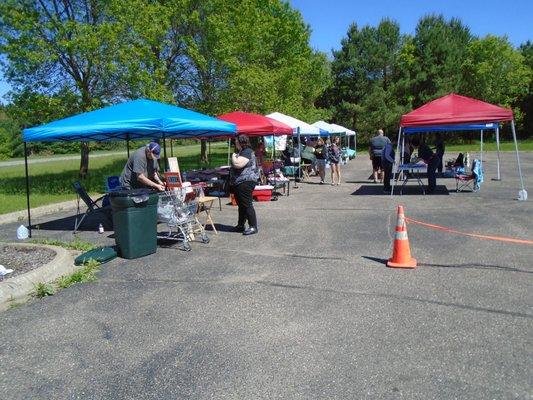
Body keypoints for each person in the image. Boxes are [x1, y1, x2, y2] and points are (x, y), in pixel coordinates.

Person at [230, 134, 259, 235]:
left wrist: (233, 155)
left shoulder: (247, 151)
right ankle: (240, 225)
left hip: (246, 181)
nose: (235, 142)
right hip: (240, 181)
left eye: (236, 140)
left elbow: (238, 164)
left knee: (246, 204)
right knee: (241, 205)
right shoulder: (242, 151)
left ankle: (253, 226)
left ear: (241, 141)